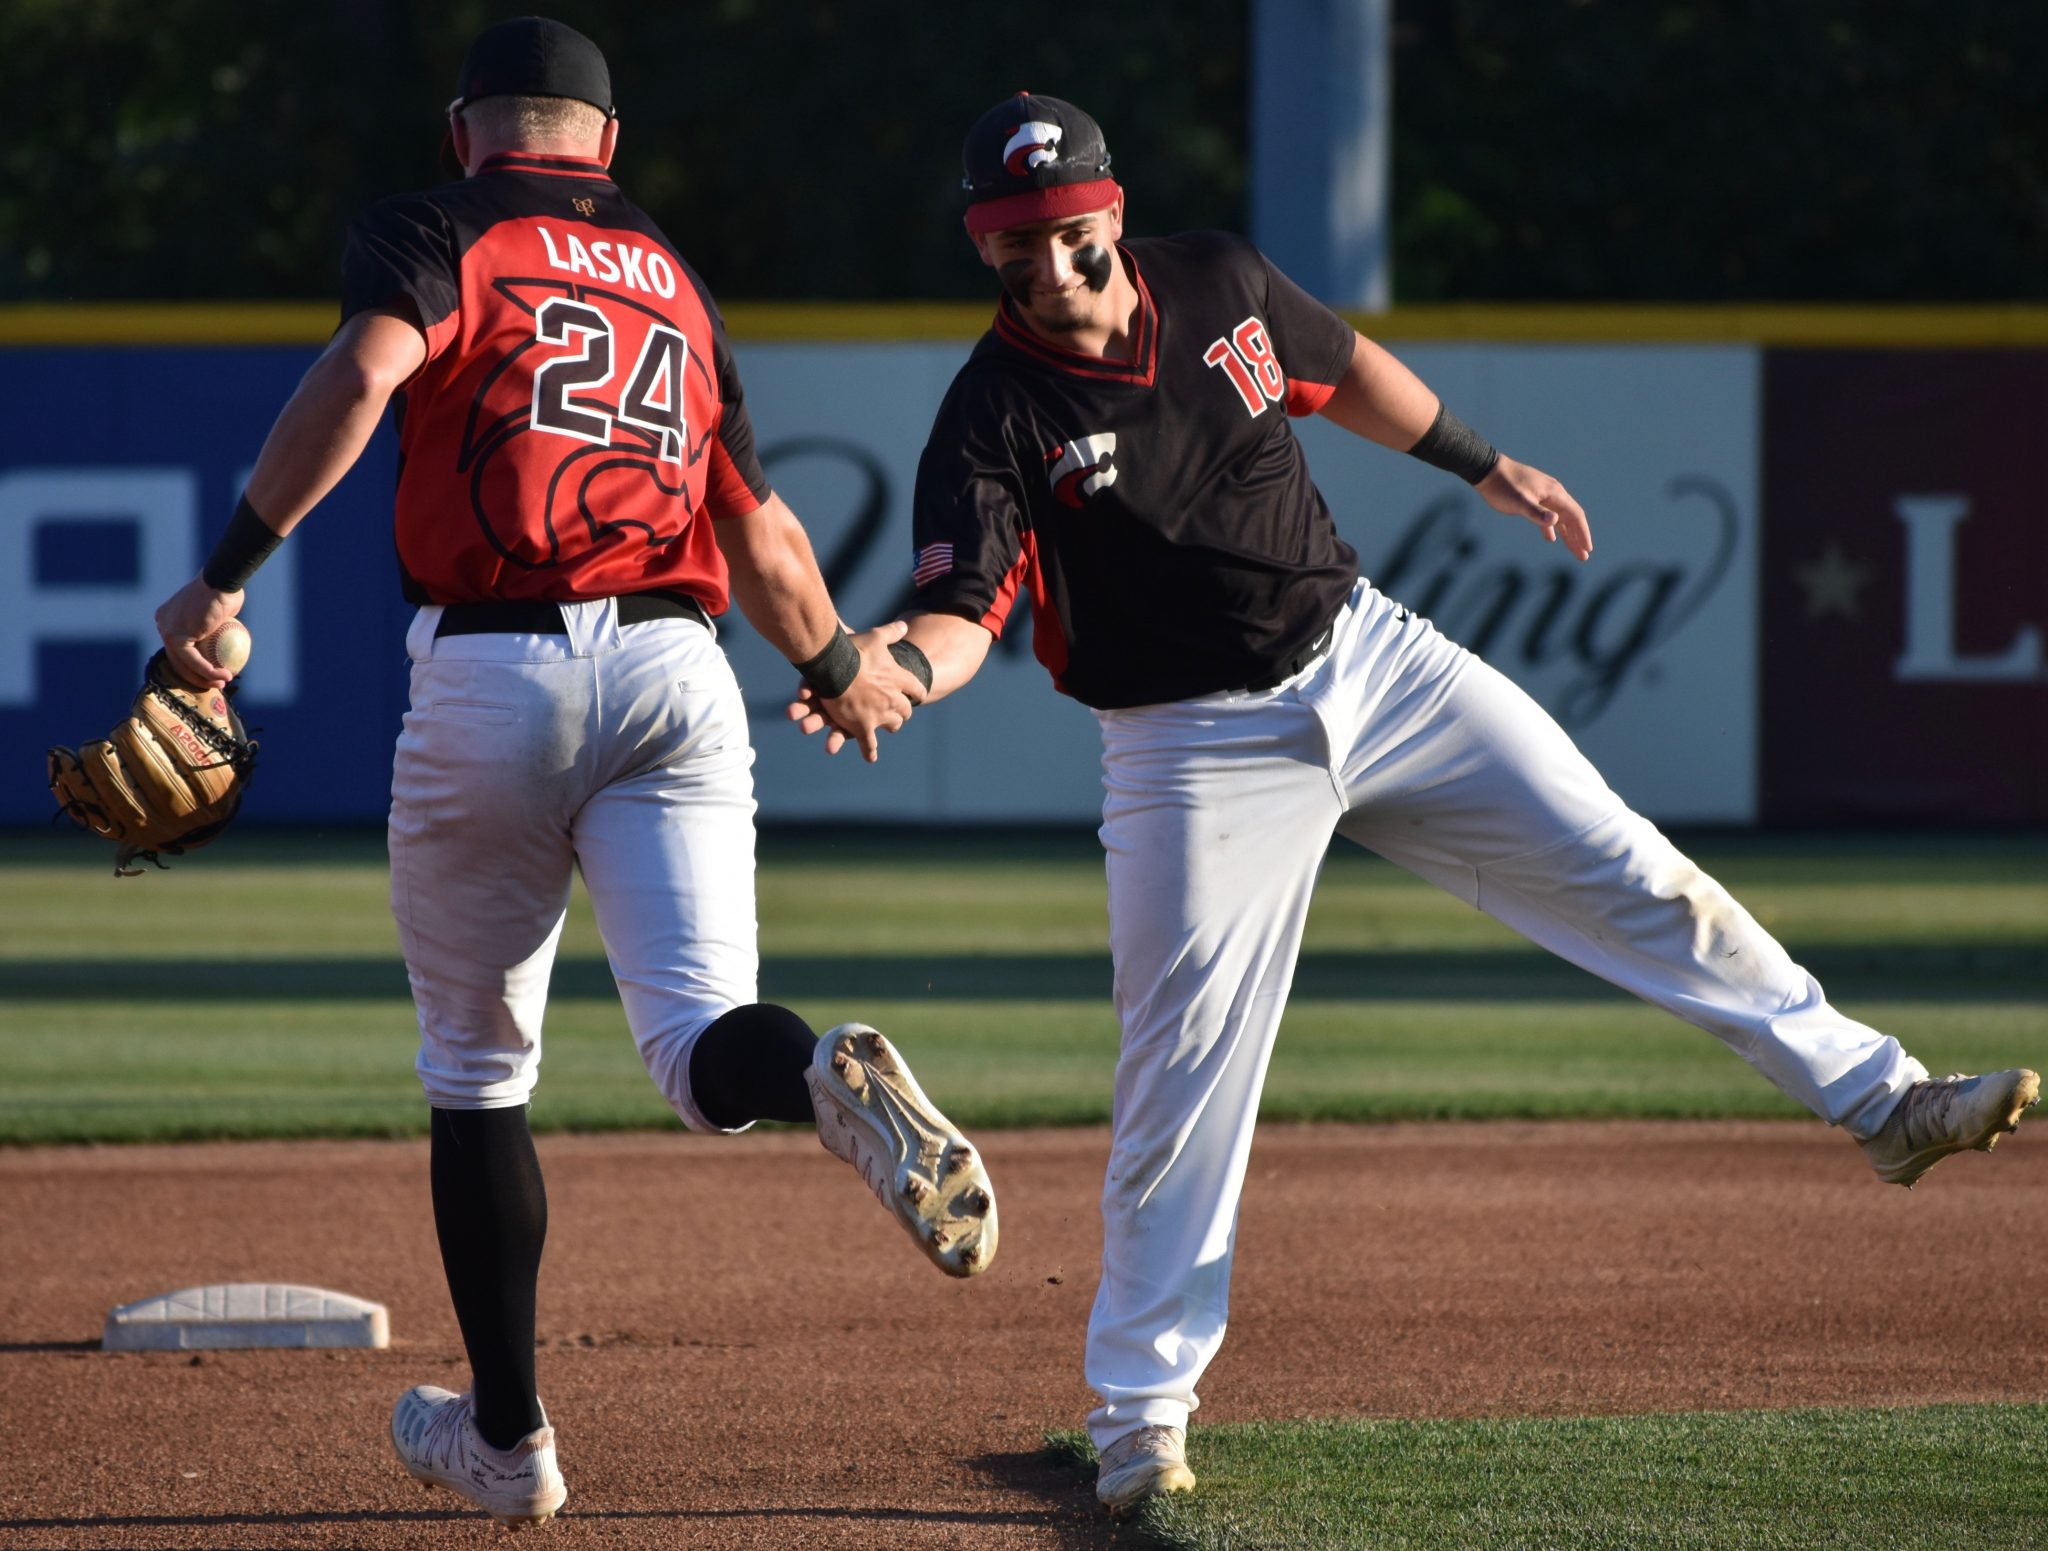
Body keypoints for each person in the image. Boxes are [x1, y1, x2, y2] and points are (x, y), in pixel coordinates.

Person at [791, 91, 2040, 1518]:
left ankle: (1881, 1098)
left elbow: (1347, 369)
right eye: (1016, 248)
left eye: (1069, 234)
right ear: (984, 247)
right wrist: (885, 669)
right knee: (1183, 1083)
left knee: (1632, 867)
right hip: (1188, 748)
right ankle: (1139, 1414)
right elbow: (962, 611)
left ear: (1113, 214)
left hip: (1369, 656)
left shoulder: (1217, 281)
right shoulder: (993, 413)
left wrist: (1486, 464)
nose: (1050, 268)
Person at [152, 19, 997, 1529]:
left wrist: (223, 580)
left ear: (465, 127)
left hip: (494, 669)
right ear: (605, 145)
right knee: (705, 1053)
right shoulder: (671, 273)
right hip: (679, 673)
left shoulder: (439, 227)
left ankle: (511, 1441)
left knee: (479, 1077)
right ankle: (817, 1073)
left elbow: (360, 377)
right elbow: (764, 539)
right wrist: (838, 675)